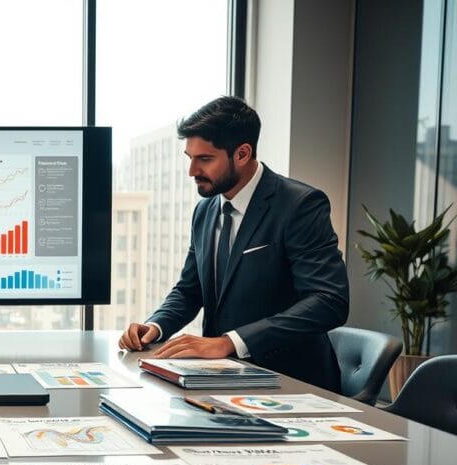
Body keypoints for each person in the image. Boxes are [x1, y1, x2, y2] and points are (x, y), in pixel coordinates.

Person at [119, 96, 349, 391]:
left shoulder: (300, 205)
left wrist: (231, 342)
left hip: (290, 382)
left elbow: (329, 301)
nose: (192, 171)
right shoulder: (205, 210)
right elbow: (191, 290)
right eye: (189, 158)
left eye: (204, 159)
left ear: (242, 154)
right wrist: (156, 326)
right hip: (220, 380)